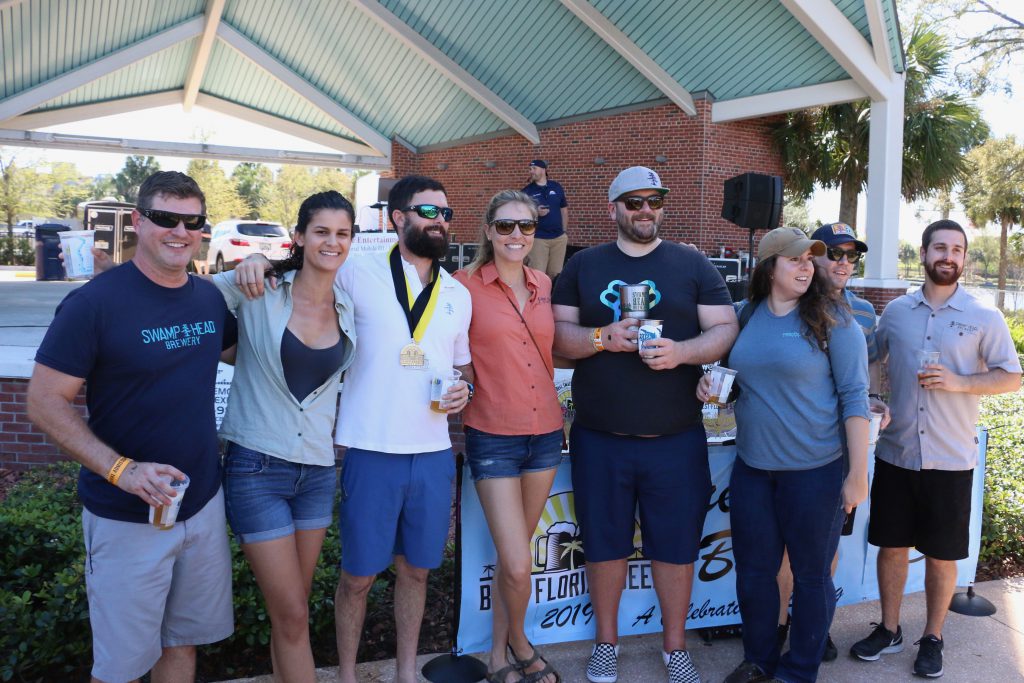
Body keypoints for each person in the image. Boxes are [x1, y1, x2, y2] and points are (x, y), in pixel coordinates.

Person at [233, 175, 472, 683]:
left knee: (417, 571)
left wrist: (463, 391)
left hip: (431, 452)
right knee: (358, 578)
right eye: (428, 212)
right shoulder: (355, 271)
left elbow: (461, 368)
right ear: (397, 219)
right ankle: (345, 675)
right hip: (368, 449)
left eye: (446, 213)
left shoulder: (456, 293)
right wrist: (260, 262)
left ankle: (407, 671)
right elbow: (300, 275)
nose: (441, 221)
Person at [26, 171, 238, 683]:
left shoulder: (208, 299)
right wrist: (121, 470)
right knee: (120, 668)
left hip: (200, 505)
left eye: (192, 221)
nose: (179, 231)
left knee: (182, 646)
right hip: (126, 515)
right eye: (166, 218)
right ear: (139, 222)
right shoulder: (95, 303)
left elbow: (241, 355)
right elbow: (43, 402)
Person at [552, 166, 739, 683]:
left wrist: (681, 352)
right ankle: (606, 645)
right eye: (633, 202)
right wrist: (601, 339)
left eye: (654, 200)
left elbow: (724, 329)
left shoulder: (691, 262)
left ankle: (674, 648)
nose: (645, 210)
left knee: (676, 549)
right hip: (600, 439)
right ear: (613, 208)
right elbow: (555, 338)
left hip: (675, 438)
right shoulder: (583, 266)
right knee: (605, 545)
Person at [850, 219, 1021, 678]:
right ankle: (889, 628)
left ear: (964, 259)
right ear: (923, 253)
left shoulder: (985, 317)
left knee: (943, 555)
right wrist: (871, 397)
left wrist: (962, 382)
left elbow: (1011, 375)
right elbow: (869, 362)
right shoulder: (897, 314)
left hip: (951, 458)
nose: (949, 256)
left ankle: (933, 636)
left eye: (957, 250)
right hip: (896, 453)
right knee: (891, 546)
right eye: (940, 247)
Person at [706, 226, 870, 683]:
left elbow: (856, 397)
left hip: (814, 473)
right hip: (754, 471)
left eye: (809, 260)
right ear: (768, 266)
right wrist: (715, 388)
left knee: (812, 576)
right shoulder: (744, 314)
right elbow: (736, 379)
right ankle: (759, 659)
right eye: (796, 259)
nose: (807, 266)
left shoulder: (833, 320)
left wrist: (858, 473)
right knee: (755, 575)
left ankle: (799, 672)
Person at [212, 191, 357, 682]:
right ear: (298, 237)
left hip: (316, 470)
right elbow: (192, 296)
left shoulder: (347, 306)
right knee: (293, 614)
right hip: (257, 467)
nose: (331, 242)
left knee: (289, 611)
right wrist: (248, 261)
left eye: (342, 233)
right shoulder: (262, 290)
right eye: (321, 231)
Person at [453, 190, 564, 683]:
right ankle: (522, 642)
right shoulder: (463, 286)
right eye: (505, 226)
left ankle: (498, 656)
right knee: (519, 563)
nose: (516, 235)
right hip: (493, 434)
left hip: (545, 434)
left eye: (526, 226)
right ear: (488, 230)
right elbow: (447, 351)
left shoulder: (544, 283)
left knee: (512, 556)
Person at [774, 222, 891, 661]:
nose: (843, 262)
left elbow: (871, 368)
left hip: (846, 452)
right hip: (798, 449)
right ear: (813, 257)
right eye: (835, 254)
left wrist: (876, 399)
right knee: (788, 548)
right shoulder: (792, 305)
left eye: (851, 255)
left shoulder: (862, 311)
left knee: (826, 548)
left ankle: (814, 627)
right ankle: (782, 627)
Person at [522, 160, 569, 279]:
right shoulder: (527, 191)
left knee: (556, 274)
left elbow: (564, 210)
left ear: (543, 170)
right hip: (538, 238)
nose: (531, 172)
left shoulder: (556, 187)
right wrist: (535, 212)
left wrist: (564, 232)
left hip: (558, 239)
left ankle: (551, 297)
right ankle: (538, 298)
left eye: (534, 169)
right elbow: (521, 214)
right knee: (537, 274)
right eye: (530, 169)